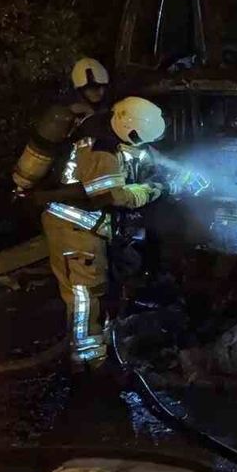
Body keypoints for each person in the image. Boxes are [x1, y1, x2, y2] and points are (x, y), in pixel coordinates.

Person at [26, 97, 168, 371]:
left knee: (99, 288)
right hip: (74, 227)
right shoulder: (102, 151)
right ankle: (86, 361)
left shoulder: (105, 129)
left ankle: (101, 347)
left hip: (87, 227)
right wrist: (154, 189)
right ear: (132, 132)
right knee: (84, 294)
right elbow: (112, 197)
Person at [12, 57, 111, 194]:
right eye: (92, 88)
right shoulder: (68, 114)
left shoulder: (103, 109)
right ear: (80, 89)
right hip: (68, 172)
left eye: (101, 87)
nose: (98, 92)